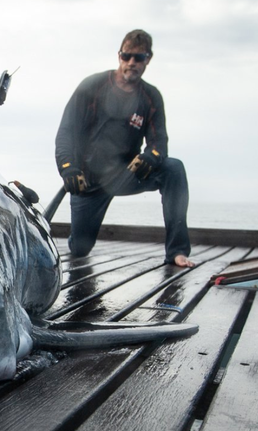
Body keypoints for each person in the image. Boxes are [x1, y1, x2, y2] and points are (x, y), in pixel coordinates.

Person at [54, 29, 193, 267]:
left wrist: (151, 157)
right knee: (80, 249)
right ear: (119, 56)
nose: (132, 63)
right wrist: (68, 168)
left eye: (139, 58)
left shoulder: (151, 97)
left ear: (148, 59)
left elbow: (160, 143)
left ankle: (177, 251)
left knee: (173, 169)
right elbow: (66, 132)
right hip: (88, 181)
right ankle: (76, 238)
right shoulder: (92, 86)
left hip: (126, 174)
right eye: (127, 56)